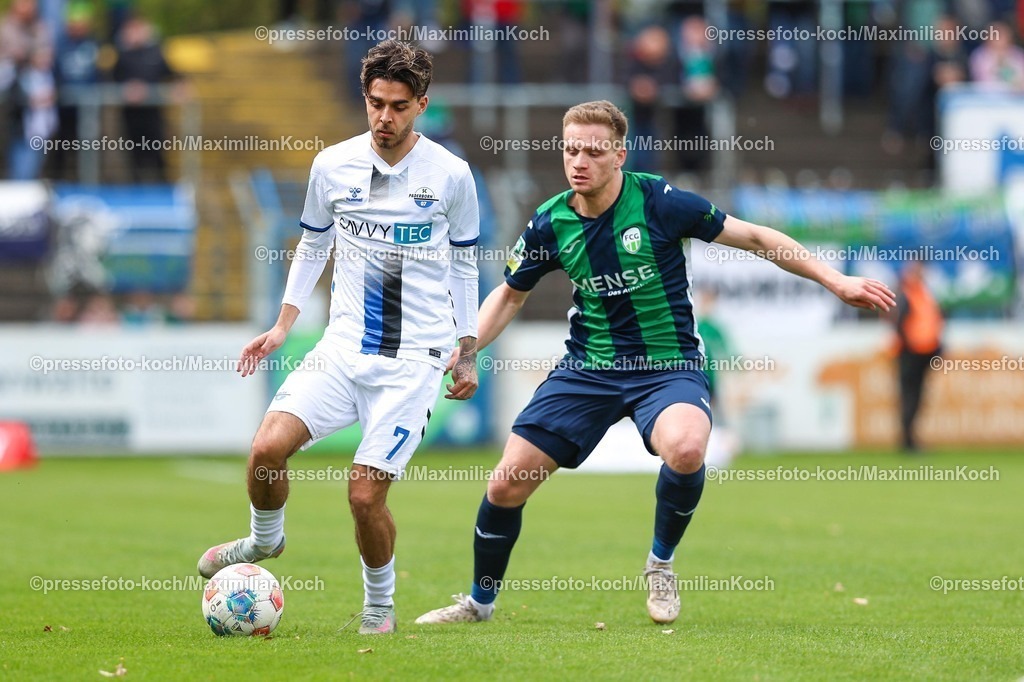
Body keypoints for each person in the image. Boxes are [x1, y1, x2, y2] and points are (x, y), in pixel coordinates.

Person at [415, 100, 894, 626]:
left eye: (594, 151)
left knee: (687, 449)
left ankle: (660, 563)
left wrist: (836, 280)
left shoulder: (662, 203)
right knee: (506, 483)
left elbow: (757, 238)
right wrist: (467, 351)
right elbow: (509, 295)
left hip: (667, 365)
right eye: (571, 150)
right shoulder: (551, 223)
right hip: (588, 369)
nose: (579, 162)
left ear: (619, 155)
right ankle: (479, 604)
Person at [197, 39, 481, 636]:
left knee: (363, 496)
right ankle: (264, 541)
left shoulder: (452, 175)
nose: (384, 117)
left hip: (414, 361)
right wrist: (283, 325)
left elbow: (463, 264)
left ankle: (379, 607)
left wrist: (468, 349)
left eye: (398, 106)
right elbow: (314, 244)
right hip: (342, 349)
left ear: (422, 105)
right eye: (376, 103)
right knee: (266, 450)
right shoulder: (332, 164)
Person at [892, 261, 942, 452]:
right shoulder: (905, 292)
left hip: (925, 352)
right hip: (909, 353)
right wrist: (908, 347)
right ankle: (907, 440)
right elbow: (899, 324)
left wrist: (937, 348)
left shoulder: (925, 293)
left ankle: (910, 438)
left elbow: (932, 322)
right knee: (909, 396)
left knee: (917, 396)